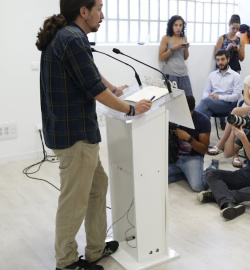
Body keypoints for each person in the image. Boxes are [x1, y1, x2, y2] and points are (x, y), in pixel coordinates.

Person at [35, 1, 153, 269]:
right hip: (75, 136)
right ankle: (66, 262)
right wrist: (131, 108)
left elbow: (90, 73)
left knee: (97, 188)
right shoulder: (73, 38)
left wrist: (114, 88)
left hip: (75, 133)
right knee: (74, 201)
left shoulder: (68, 34)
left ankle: (96, 248)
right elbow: (94, 89)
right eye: (99, 8)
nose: (103, 14)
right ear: (83, 11)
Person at [199, 103, 250, 220]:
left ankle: (220, 196)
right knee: (211, 173)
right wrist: (233, 131)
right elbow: (228, 153)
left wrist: (243, 138)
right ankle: (227, 200)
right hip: (247, 174)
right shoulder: (247, 132)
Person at [208, 55, 250, 168]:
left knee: (235, 112)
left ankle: (222, 145)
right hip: (248, 107)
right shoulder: (249, 78)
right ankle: (234, 155)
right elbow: (245, 98)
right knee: (236, 121)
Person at [168, 96, 210, 192]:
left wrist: (188, 138)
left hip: (192, 157)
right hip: (173, 158)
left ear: (193, 108)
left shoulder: (202, 120)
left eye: (187, 113)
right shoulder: (172, 117)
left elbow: (203, 149)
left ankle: (210, 170)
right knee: (159, 178)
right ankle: (186, 174)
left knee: (198, 186)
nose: (183, 116)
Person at [196, 49, 242, 121]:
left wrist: (218, 97)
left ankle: (186, 126)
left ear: (228, 59)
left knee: (206, 102)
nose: (220, 62)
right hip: (212, 102)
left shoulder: (235, 76)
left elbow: (237, 96)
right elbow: (206, 91)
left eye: (222, 59)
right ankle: (203, 132)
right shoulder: (212, 75)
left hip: (227, 105)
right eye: (218, 60)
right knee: (205, 113)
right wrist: (208, 96)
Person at [158, 15, 192, 96]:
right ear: (171, 26)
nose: (178, 28)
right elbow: (161, 57)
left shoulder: (184, 38)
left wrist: (186, 48)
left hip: (183, 73)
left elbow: (185, 57)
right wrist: (172, 49)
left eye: (180, 25)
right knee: (171, 99)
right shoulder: (166, 38)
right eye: (176, 25)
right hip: (171, 73)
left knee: (188, 99)